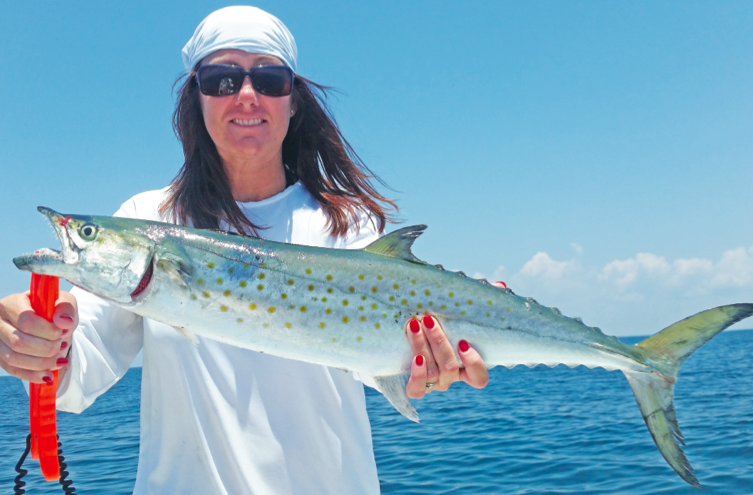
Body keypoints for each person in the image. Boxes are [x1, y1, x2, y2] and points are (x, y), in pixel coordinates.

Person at [0, 6, 491, 494]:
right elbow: (78, 365)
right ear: (197, 96)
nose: (247, 95)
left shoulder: (347, 226)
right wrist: (37, 341)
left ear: (293, 100)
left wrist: (428, 368)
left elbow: (396, 359)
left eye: (270, 79)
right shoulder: (148, 217)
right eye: (222, 80)